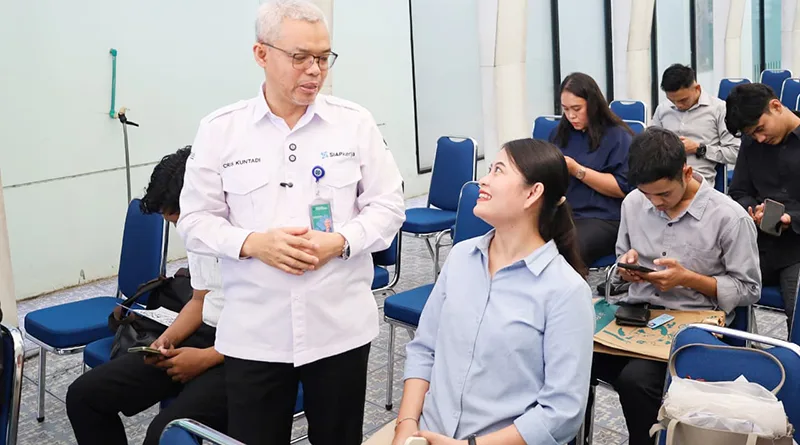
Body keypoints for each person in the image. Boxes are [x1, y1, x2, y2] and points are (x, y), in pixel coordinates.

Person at [176, 1, 405, 444]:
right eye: (300, 57)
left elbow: (389, 206)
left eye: (323, 57)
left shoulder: (353, 123)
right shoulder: (222, 130)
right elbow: (196, 219)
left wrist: (341, 241)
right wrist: (252, 243)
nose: (314, 70)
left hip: (339, 327)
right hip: (256, 332)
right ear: (261, 54)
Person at [364, 139, 594, 445]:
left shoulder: (565, 290)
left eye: (498, 170)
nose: (482, 180)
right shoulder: (461, 256)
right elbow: (424, 348)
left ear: (532, 193)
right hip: (425, 432)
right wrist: (405, 426)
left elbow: (562, 412)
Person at [593, 127, 760, 445]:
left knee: (636, 381)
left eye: (664, 195)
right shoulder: (633, 203)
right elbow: (619, 263)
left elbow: (749, 289)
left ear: (686, 172)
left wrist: (688, 279)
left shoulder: (729, 217)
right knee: (571, 360)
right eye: (648, 195)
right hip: (637, 317)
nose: (656, 204)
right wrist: (626, 270)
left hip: (693, 325)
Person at [66, 147, 227, 445]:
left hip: (243, 355)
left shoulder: (254, 238)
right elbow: (199, 300)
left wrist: (206, 358)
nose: (181, 230)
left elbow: (277, 328)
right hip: (203, 336)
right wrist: (165, 341)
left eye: (178, 219)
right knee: (84, 397)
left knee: (163, 434)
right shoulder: (199, 237)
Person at [726, 82, 800, 332]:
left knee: (797, 306)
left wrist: (791, 218)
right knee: (710, 285)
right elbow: (738, 191)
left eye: (760, 129)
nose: (759, 138)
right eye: (751, 134)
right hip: (756, 243)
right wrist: (752, 208)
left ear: (776, 106)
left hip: (796, 249)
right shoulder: (752, 144)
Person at [550, 72, 634, 266]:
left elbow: (622, 188)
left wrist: (577, 170)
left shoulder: (618, 137)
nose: (571, 116)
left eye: (577, 109)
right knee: (524, 242)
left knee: (567, 249)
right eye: (565, 109)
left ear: (593, 104)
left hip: (603, 217)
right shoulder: (559, 134)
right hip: (564, 213)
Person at [651, 64, 740, 186]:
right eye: (672, 101)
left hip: (696, 179)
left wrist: (699, 148)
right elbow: (650, 147)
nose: (678, 105)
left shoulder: (719, 109)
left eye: (683, 100)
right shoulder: (663, 109)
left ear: (697, 88)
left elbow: (735, 153)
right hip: (662, 175)